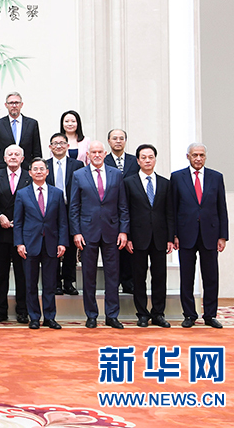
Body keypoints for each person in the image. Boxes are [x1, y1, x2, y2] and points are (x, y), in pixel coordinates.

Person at [69, 140, 130, 329]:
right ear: (88, 155)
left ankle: (112, 315)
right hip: (87, 232)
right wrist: (76, 232)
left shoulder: (116, 174)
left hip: (112, 231)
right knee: (89, 275)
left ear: (105, 154)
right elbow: (74, 206)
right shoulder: (79, 175)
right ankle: (91, 315)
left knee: (113, 275)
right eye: (93, 152)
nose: (96, 155)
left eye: (99, 152)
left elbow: (123, 205)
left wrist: (123, 231)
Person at [171, 143, 228, 329]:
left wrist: (222, 236)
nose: (198, 158)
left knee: (211, 277)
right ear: (188, 156)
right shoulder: (177, 177)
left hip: (210, 234)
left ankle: (210, 315)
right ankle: (189, 314)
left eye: (201, 155)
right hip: (185, 234)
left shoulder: (216, 177)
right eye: (194, 155)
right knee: (187, 277)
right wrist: (174, 234)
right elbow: (173, 209)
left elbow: (221, 208)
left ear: (205, 157)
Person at [14, 157, 69, 330]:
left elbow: (62, 221)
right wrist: (19, 243)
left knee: (50, 283)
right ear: (30, 173)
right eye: (35, 169)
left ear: (47, 172)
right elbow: (18, 222)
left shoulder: (57, 193)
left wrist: (62, 242)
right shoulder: (22, 193)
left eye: (42, 169)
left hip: (51, 243)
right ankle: (34, 317)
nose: (39, 172)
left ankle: (50, 317)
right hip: (29, 244)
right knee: (30, 284)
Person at [125, 144, 174, 328]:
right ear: (138, 161)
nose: (147, 160)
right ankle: (142, 314)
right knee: (139, 277)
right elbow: (125, 211)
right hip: (137, 237)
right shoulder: (129, 182)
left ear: (155, 159)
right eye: (143, 157)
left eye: (150, 157)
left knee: (159, 276)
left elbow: (169, 212)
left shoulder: (165, 183)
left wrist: (170, 237)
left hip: (160, 237)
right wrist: (128, 236)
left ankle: (158, 313)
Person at [0, 144, 31, 324]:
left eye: (16, 154)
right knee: (0, 273)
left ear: (22, 159)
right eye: (10, 154)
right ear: (4, 158)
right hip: (1, 232)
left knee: (23, 274)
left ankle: (23, 310)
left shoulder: (30, 176)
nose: (13, 157)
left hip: (23, 233)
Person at [45, 133, 84, 295]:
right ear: (50, 147)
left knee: (70, 246)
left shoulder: (78, 165)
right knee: (52, 246)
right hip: (50, 211)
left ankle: (69, 282)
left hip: (71, 209)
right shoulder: (44, 165)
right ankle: (55, 282)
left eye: (62, 143)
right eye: (55, 143)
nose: (59, 146)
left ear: (68, 146)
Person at [104, 128, 140, 294]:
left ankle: (128, 281)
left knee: (129, 246)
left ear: (125, 141)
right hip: (110, 210)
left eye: (121, 138)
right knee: (113, 248)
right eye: (114, 138)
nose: (118, 141)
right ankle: (114, 282)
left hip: (132, 209)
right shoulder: (103, 161)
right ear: (109, 141)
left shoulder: (135, 161)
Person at [0, 92, 42, 169]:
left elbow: (36, 150)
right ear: (6, 105)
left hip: (26, 168)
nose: (14, 105)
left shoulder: (32, 124)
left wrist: (37, 167)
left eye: (16, 103)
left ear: (21, 104)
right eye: (11, 103)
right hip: (3, 169)